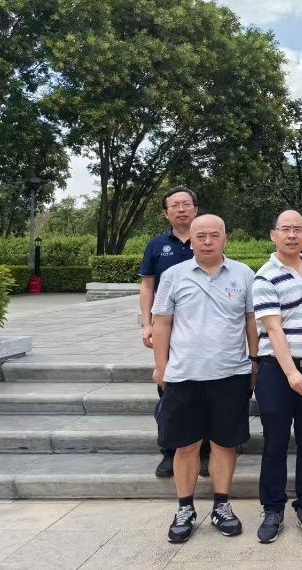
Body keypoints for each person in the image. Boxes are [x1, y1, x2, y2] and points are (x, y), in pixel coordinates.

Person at [152, 214, 257, 544]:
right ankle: (185, 508)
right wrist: (161, 366)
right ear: (191, 241)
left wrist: (255, 362)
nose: (208, 241)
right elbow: (161, 324)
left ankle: (221, 505)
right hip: (185, 375)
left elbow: (251, 322)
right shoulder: (174, 275)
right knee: (186, 445)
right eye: (201, 236)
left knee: (226, 444)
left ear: (226, 238)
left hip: (231, 373)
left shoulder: (244, 274)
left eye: (214, 235)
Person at [253, 210, 302, 542]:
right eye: (286, 229)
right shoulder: (264, 277)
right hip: (277, 373)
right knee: (275, 444)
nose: (292, 235)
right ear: (273, 235)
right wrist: (292, 372)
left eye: (298, 229)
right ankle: (273, 509)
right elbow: (273, 329)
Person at [138, 186, 211, 478]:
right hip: (167, 328)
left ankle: (204, 451)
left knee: (205, 390)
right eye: (175, 205)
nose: (181, 209)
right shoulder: (157, 245)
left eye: (186, 204)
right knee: (168, 389)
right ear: (165, 213)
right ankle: (170, 451)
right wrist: (147, 323)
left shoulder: (207, 240)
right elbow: (147, 286)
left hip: (203, 330)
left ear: (196, 209)